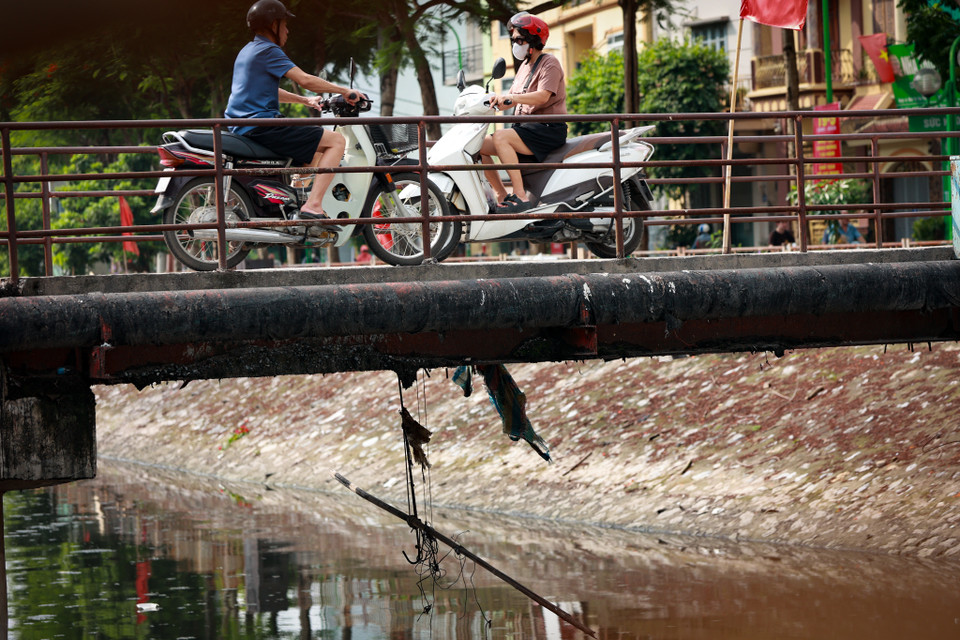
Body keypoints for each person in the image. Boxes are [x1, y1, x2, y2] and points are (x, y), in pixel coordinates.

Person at [225, 0, 365, 222]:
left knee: (316, 151)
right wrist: (346, 91)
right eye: (285, 24)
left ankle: (293, 204)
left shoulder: (247, 51)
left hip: (242, 126)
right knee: (336, 141)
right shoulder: (268, 49)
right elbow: (305, 79)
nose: (287, 30)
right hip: (261, 126)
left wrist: (304, 100)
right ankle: (313, 205)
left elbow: (267, 90)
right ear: (274, 24)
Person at [480, 11, 567, 213]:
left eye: (519, 40)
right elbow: (509, 101)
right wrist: (493, 101)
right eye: (513, 40)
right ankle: (502, 195)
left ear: (533, 40)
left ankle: (520, 196)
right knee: (478, 145)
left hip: (547, 129)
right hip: (525, 130)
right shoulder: (524, 67)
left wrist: (512, 98)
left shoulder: (550, 63)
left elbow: (542, 96)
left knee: (501, 137)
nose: (515, 44)